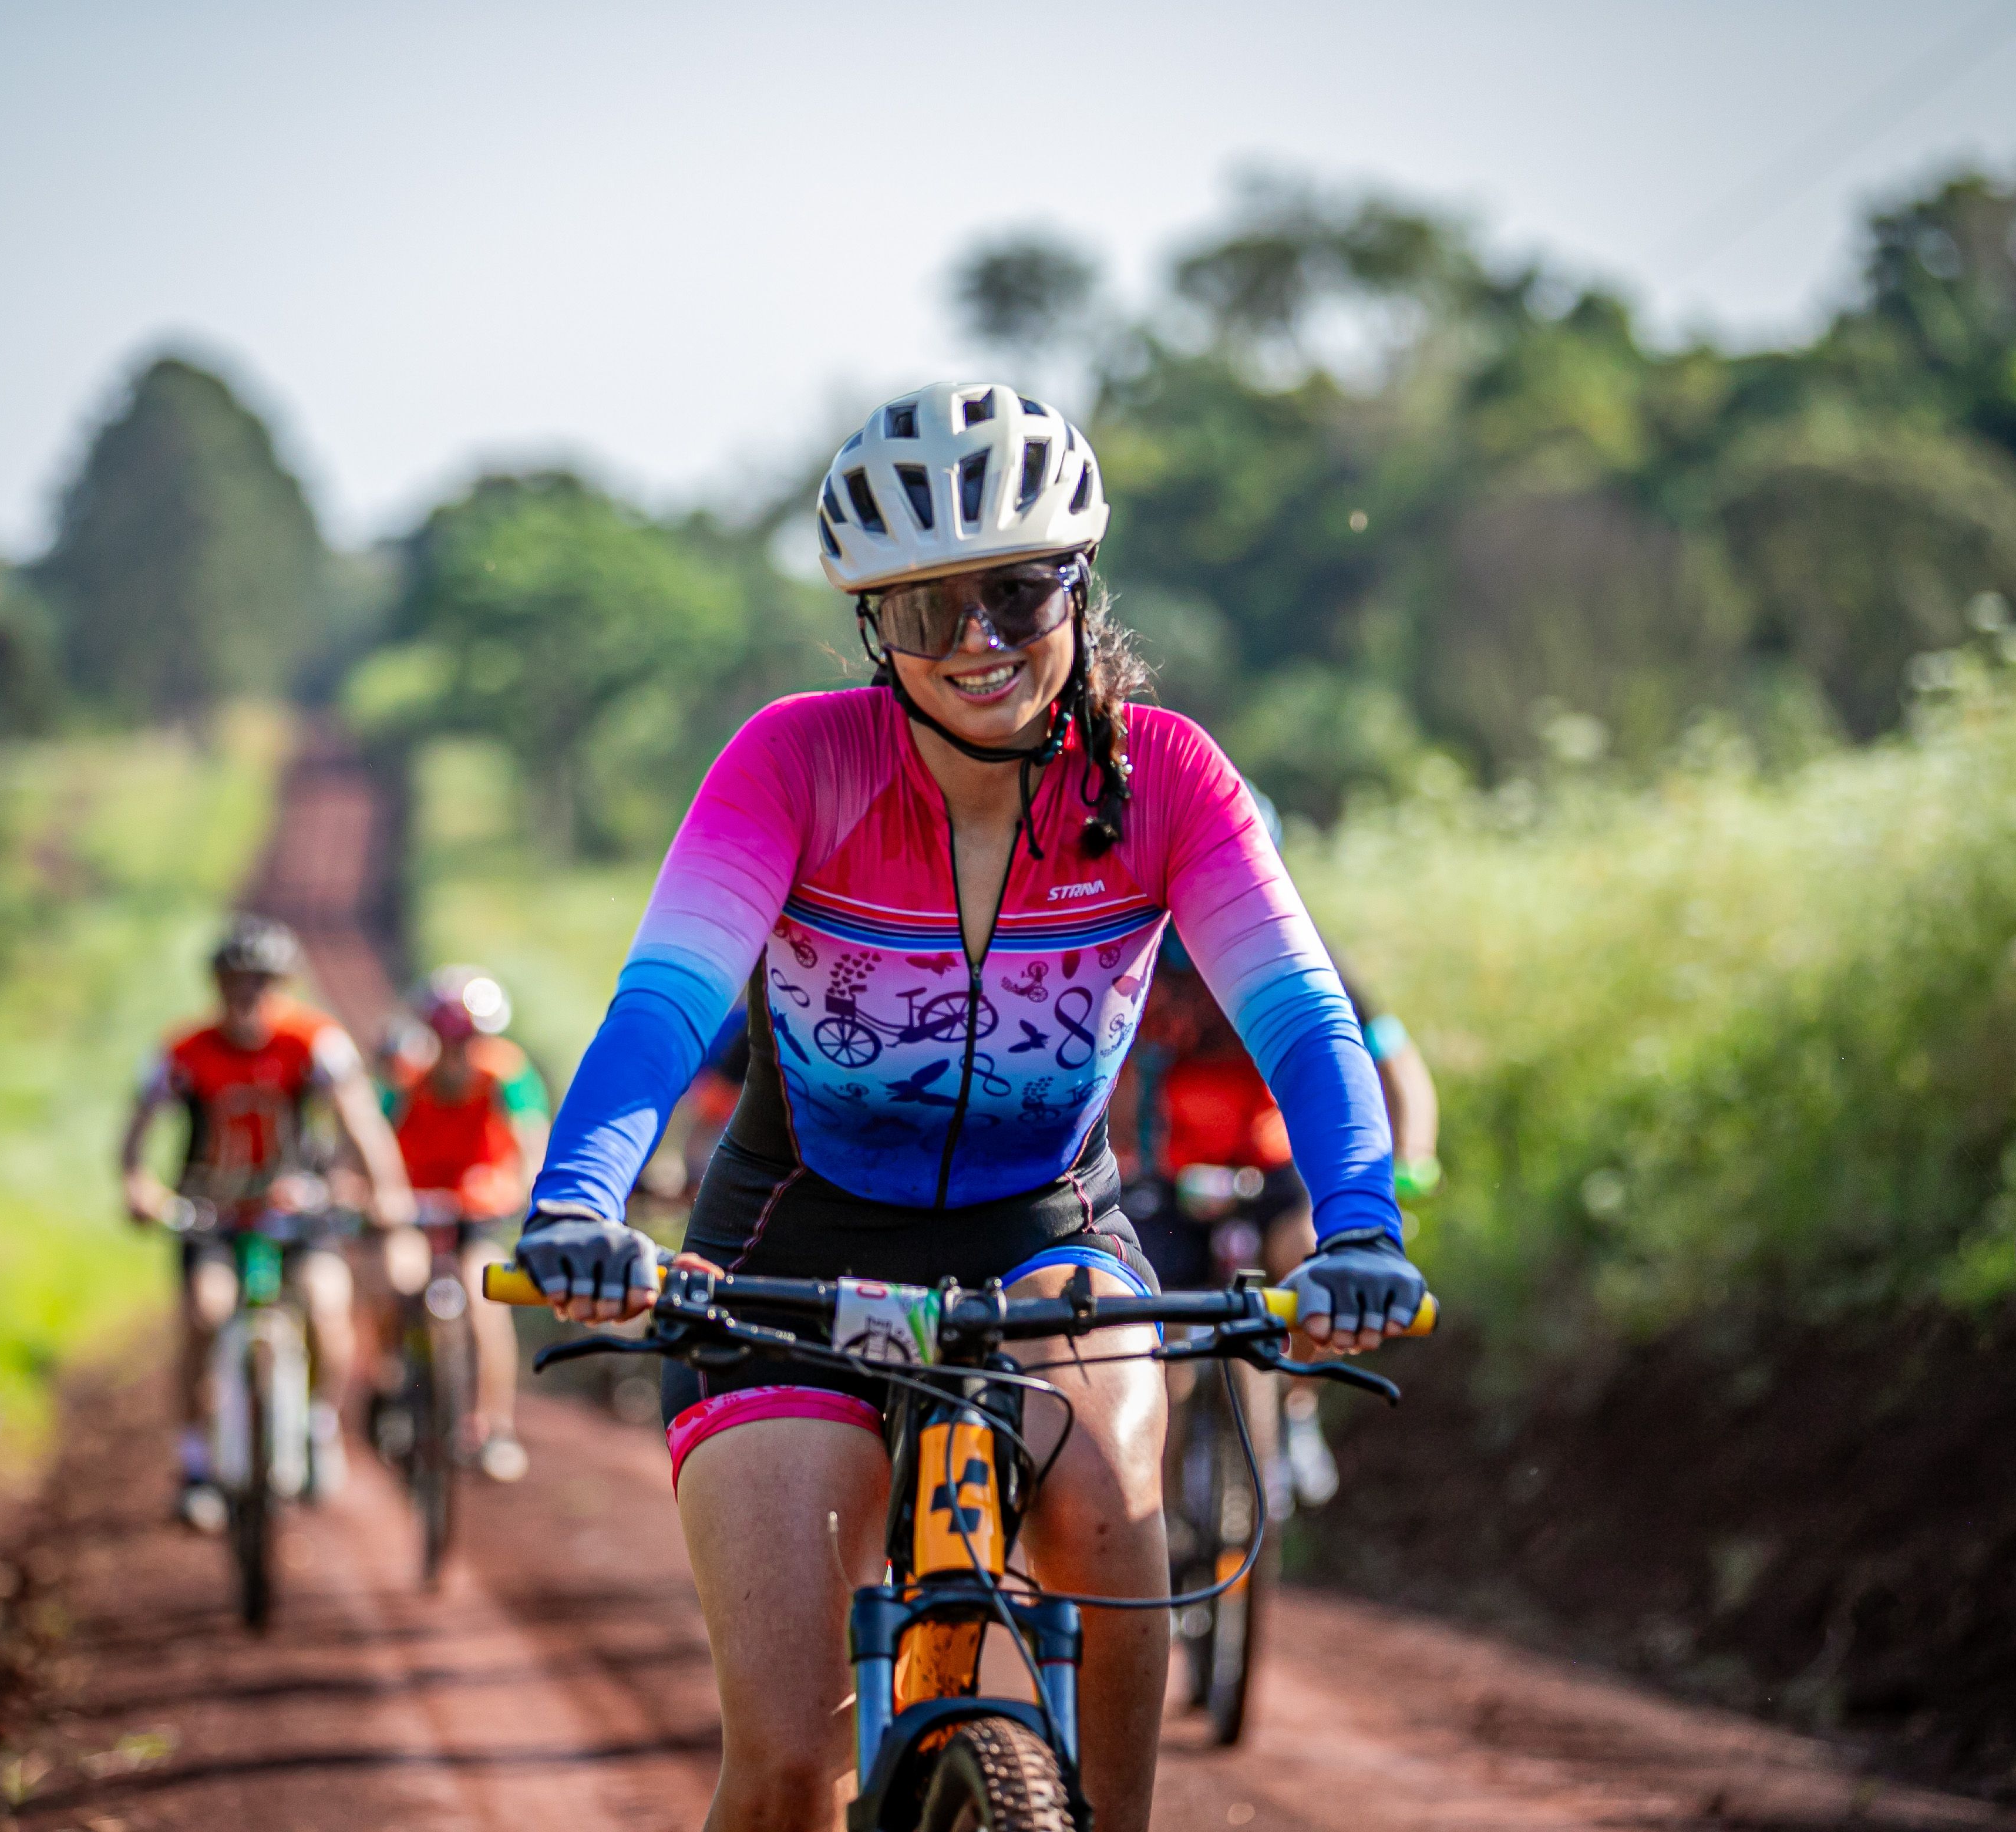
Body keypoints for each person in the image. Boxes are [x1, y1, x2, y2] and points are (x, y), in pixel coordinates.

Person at [510, 383, 1425, 1832]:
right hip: (788, 1245)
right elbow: (663, 1008)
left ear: (1079, 584)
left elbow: (1306, 1024)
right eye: (934, 608)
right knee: (789, 1766)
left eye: (1018, 592)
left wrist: (1361, 1226)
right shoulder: (794, 762)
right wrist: (577, 1204)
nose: (983, 641)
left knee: (1114, 1529)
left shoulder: (1167, 779)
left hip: (1046, 1235)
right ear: (876, 623)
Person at [1112, 911, 1442, 1506]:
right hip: (1173, 1178)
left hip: (1274, 1173)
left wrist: (1414, 1155)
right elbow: (1115, 1072)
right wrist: (1122, 1157)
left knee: (1311, 1254)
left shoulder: (1293, 948)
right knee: (1156, 1329)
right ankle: (1158, 1489)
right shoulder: (1141, 955)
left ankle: (1297, 1403)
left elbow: (1393, 1063)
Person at [120, 915, 418, 1528]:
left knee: (326, 1307)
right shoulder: (184, 1050)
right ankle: (196, 1464)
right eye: (236, 981)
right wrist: (138, 1187)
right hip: (212, 1210)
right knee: (206, 1312)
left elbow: (361, 1122)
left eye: (262, 981)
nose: (249, 993)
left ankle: (318, 1429)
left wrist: (387, 1192)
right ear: (217, 986)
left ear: (284, 985)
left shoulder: (314, 1041)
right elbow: (138, 1132)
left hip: (297, 1209)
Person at [382, 965, 550, 1481]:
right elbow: (374, 1144)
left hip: (479, 1210)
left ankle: (494, 1426)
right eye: (448, 1039)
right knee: (398, 1277)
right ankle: (392, 1384)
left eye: (469, 1039)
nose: (459, 1051)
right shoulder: (406, 1080)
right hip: (414, 1208)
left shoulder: (506, 1074)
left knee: (486, 1299)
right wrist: (375, 1193)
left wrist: (529, 1188)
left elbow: (530, 1140)